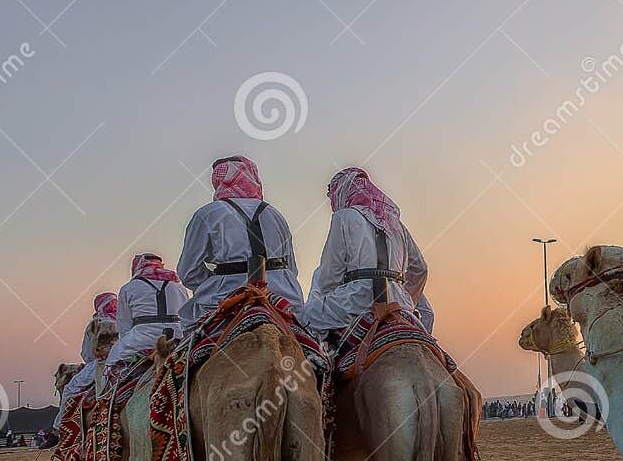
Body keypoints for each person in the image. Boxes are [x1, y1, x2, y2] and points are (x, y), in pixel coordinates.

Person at [176, 156, 305, 328]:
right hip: (282, 294)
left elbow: (188, 272)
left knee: (188, 344)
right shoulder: (275, 214)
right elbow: (292, 269)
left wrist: (219, 280)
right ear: (253, 177)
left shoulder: (207, 214)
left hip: (226, 295)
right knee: (308, 340)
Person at [301, 167, 429, 337]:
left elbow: (330, 275)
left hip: (356, 300)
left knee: (306, 317)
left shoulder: (343, 217)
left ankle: (322, 362)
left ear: (343, 192)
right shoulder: (397, 225)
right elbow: (421, 269)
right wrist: (406, 299)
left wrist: (326, 298)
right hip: (399, 302)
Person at [108, 253, 190, 371]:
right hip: (177, 338)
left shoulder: (128, 288)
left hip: (140, 341)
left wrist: (126, 341)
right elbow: (185, 315)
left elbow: (124, 326)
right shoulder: (179, 287)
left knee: (110, 365)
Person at [59, 293, 118, 409]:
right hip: (127, 361)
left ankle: (60, 425)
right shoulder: (122, 321)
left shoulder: (95, 325)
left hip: (101, 365)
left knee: (69, 390)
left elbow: (86, 354)